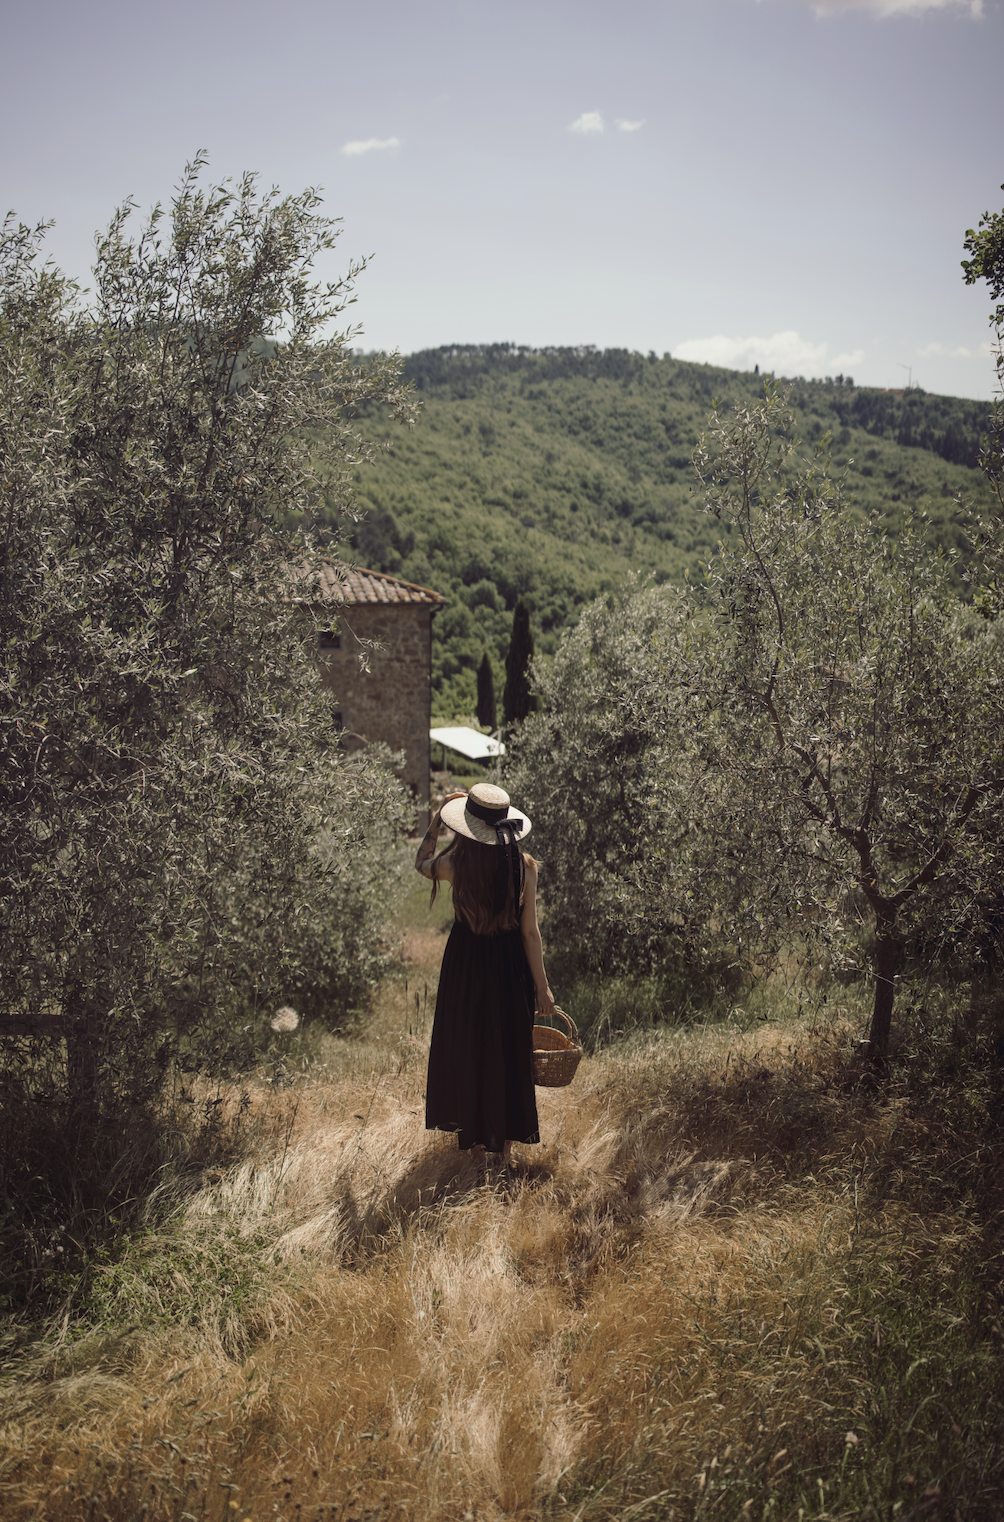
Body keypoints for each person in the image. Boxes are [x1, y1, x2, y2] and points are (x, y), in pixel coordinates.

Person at [416, 782, 556, 1167]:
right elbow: (529, 933)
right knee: (508, 1051)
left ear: (466, 826)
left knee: (469, 1050)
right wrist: (542, 989)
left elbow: (420, 862)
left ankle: (477, 1151)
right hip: (509, 970)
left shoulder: (453, 865)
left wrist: (436, 819)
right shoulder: (525, 868)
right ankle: (504, 1153)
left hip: (466, 967)